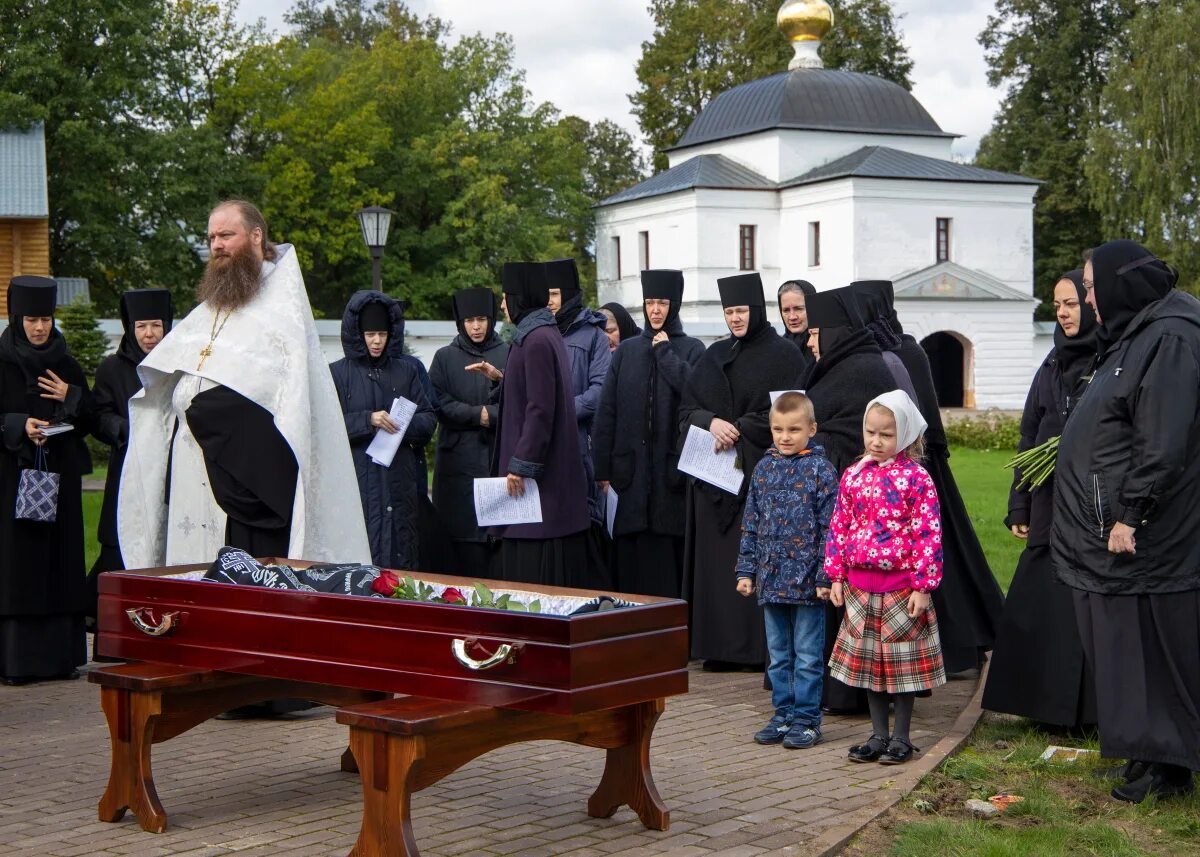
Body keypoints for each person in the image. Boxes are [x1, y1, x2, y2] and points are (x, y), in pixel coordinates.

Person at [120, 199, 369, 569]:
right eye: (211, 238)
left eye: (226, 235)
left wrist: (204, 411)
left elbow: (279, 395)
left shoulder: (280, 310)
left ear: (256, 236)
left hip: (246, 479)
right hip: (195, 467)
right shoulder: (216, 303)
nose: (217, 245)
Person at [1053, 240, 1200, 803]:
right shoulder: (1140, 333)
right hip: (1113, 530)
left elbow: (1162, 441)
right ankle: (1144, 753)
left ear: (1119, 284)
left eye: (1090, 286)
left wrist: (1131, 513)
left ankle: (1169, 768)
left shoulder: (1170, 336)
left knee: (1152, 649)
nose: (1088, 299)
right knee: (1122, 648)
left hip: (1145, 537)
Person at [851, 280, 1004, 676]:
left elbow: (918, 414)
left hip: (918, 466)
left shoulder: (905, 351)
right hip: (888, 469)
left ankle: (954, 647)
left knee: (932, 558)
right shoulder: (878, 353)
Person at [982, 270, 1097, 729]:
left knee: (1079, 607)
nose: (1065, 313)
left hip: (1088, 504)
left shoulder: (1108, 358)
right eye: (1059, 305)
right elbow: (1030, 435)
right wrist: (1020, 503)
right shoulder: (1051, 362)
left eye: (1072, 303)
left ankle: (1083, 712)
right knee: (1037, 602)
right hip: (1048, 500)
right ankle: (1040, 704)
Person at [679, 272, 806, 668]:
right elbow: (686, 411)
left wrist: (741, 428)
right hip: (712, 477)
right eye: (729, 311)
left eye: (741, 310)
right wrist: (710, 421)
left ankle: (753, 652)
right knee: (716, 566)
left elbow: (790, 412)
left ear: (756, 310)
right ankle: (716, 648)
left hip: (759, 476)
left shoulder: (784, 355)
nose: (735, 318)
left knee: (751, 559)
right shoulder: (712, 355)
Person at [827, 390, 945, 764]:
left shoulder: (917, 479)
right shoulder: (853, 476)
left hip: (900, 590)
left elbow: (929, 533)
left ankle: (902, 738)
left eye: (886, 435)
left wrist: (923, 586)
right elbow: (839, 525)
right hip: (860, 587)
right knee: (869, 666)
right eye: (870, 432)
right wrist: (835, 575)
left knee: (900, 667)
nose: (876, 441)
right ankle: (878, 735)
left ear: (906, 434)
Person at [0, 276, 93, 684]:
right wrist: (21, 425)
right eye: (33, 319)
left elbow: (89, 420)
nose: (40, 328)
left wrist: (69, 397)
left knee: (59, 565)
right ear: (17, 318)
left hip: (60, 479)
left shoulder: (67, 364)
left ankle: (60, 660)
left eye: (47, 319)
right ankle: (16, 663)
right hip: (10, 480)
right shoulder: (0, 362)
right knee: (19, 568)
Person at [735, 392, 839, 749]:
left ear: (812, 428)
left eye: (794, 429)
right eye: (778, 429)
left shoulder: (821, 471)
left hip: (809, 585)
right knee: (779, 657)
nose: (785, 436)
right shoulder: (764, 469)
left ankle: (807, 720)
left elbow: (832, 528)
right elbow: (751, 522)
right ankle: (782, 714)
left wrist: (827, 577)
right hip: (771, 580)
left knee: (808, 657)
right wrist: (746, 570)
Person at [592, 270, 705, 597]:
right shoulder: (627, 351)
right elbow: (607, 411)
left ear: (676, 304)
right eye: (650, 302)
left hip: (672, 480)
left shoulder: (692, 350)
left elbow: (697, 396)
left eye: (663, 302)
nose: (656, 309)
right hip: (630, 478)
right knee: (631, 567)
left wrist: (665, 353)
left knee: (670, 567)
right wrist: (602, 469)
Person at [487, 261, 591, 587]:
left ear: (520, 297)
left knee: (533, 578)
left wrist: (521, 464)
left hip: (539, 489)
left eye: (506, 297)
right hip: (545, 487)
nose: (502, 305)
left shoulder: (535, 339)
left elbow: (541, 408)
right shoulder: (542, 334)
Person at [86, 288, 172, 656]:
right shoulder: (112, 368)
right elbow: (97, 416)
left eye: (156, 325)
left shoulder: (177, 364)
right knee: (120, 548)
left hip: (169, 471)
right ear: (129, 327)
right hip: (127, 470)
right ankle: (116, 640)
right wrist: (127, 429)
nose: (149, 333)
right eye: (142, 326)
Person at [330, 291, 437, 571]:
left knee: (401, 553)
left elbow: (427, 418)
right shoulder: (338, 374)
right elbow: (328, 425)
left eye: (382, 334)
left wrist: (399, 426)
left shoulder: (406, 371)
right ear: (358, 334)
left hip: (399, 482)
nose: (377, 341)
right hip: (359, 481)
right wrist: (368, 420)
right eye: (370, 334)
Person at [429, 287, 509, 576]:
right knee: (459, 544)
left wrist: (494, 415)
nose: (476, 326)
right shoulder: (444, 358)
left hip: (496, 461)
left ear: (490, 320)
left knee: (498, 544)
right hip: (458, 465)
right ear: (460, 323)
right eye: (469, 320)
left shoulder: (508, 353)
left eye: (481, 319)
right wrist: (479, 415)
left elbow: (521, 399)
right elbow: (437, 403)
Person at [778, 280, 816, 373]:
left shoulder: (822, 346)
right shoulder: (778, 347)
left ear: (812, 307)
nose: (792, 317)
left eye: (798, 309)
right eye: (786, 310)